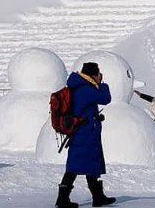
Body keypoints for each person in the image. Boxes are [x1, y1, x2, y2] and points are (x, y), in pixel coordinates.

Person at [56, 61, 115, 208]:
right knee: (77, 165)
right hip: (84, 133)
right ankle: (63, 200)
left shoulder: (78, 86)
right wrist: (102, 83)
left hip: (84, 131)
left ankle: (97, 197)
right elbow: (105, 98)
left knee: (87, 164)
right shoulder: (85, 89)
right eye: (98, 74)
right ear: (93, 75)